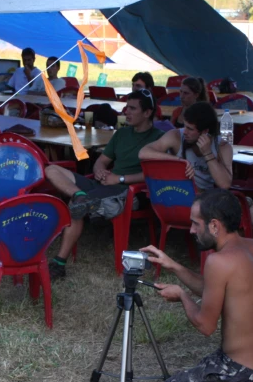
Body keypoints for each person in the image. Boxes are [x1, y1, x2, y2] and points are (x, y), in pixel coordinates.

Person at [142, 189, 253, 382]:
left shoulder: (218, 261)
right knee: (199, 369)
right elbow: (214, 290)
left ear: (215, 226)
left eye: (196, 224)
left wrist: (182, 296)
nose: (191, 231)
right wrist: (173, 265)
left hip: (243, 373)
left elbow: (205, 325)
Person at [46, 89, 164, 279]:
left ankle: (59, 263)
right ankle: (81, 196)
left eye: (133, 109)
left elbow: (157, 174)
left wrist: (121, 179)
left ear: (148, 112)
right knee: (51, 170)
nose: (126, 112)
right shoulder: (122, 133)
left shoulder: (159, 138)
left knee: (77, 207)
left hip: (128, 191)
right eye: (126, 107)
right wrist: (100, 169)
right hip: (103, 185)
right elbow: (102, 160)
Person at [139, 102, 253, 229]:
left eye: (190, 129)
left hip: (208, 199)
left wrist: (207, 154)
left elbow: (224, 184)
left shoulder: (222, 146)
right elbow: (143, 152)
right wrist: (177, 161)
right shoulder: (176, 136)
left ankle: (224, 245)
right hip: (181, 197)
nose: (185, 132)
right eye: (185, 126)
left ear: (205, 131)